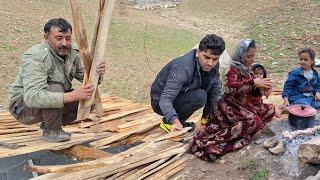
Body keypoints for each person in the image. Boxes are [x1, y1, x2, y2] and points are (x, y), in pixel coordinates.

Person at [8, 18, 106, 142]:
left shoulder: (73, 53)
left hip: (47, 102)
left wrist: (97, 72)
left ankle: (49, 123)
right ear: (46, 38)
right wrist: (73, 95)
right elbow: (32, 97)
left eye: (68, 38)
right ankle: (51, 131)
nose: (64, 43)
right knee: (56, 88)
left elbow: (86, 78)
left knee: (89, 98)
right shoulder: (37, 57)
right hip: (23, 107)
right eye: (59, 38)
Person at [189, 39, 279, 162]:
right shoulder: (232, 68)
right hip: (230, 106)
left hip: (245, 105)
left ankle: (245, 129)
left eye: (253, 56)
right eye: (249, 56)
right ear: (241, 54)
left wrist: (261, 90)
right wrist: (253, 82)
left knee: (271, 110)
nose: (252, 59)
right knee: (254, 121)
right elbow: (230, 88)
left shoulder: (248, 69)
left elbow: (251, 90)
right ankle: (218, 142)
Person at [150, 34, 225, 132]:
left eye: (215, 59)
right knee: (200, 96)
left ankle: (179, 122)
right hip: (160, 102)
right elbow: (165, 99)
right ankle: (168, 123)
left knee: (210, 95)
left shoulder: (213, 66)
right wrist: (174, 121)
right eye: (206, 57)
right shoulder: (183, 67)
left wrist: (206, 121)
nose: (210, 63)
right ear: (198, 53)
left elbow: (216, 94)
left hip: (181, 95)